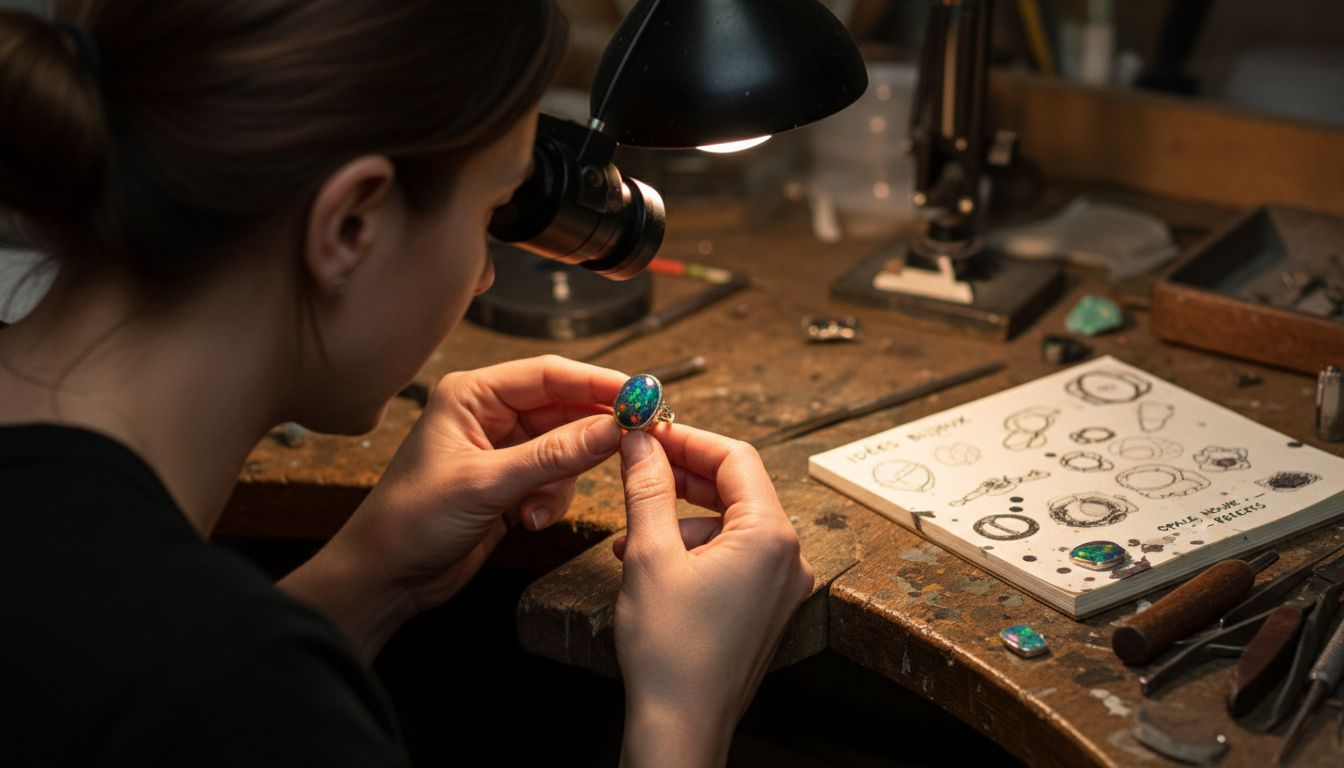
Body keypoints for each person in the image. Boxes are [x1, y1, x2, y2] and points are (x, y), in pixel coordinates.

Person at [0, 1, 814, 766]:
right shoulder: (231, 692)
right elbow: (211, 704)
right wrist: (683, 719)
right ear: (352, 226)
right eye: (491, 208)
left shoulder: (161, 652)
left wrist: (369, 575)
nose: (486, 273)